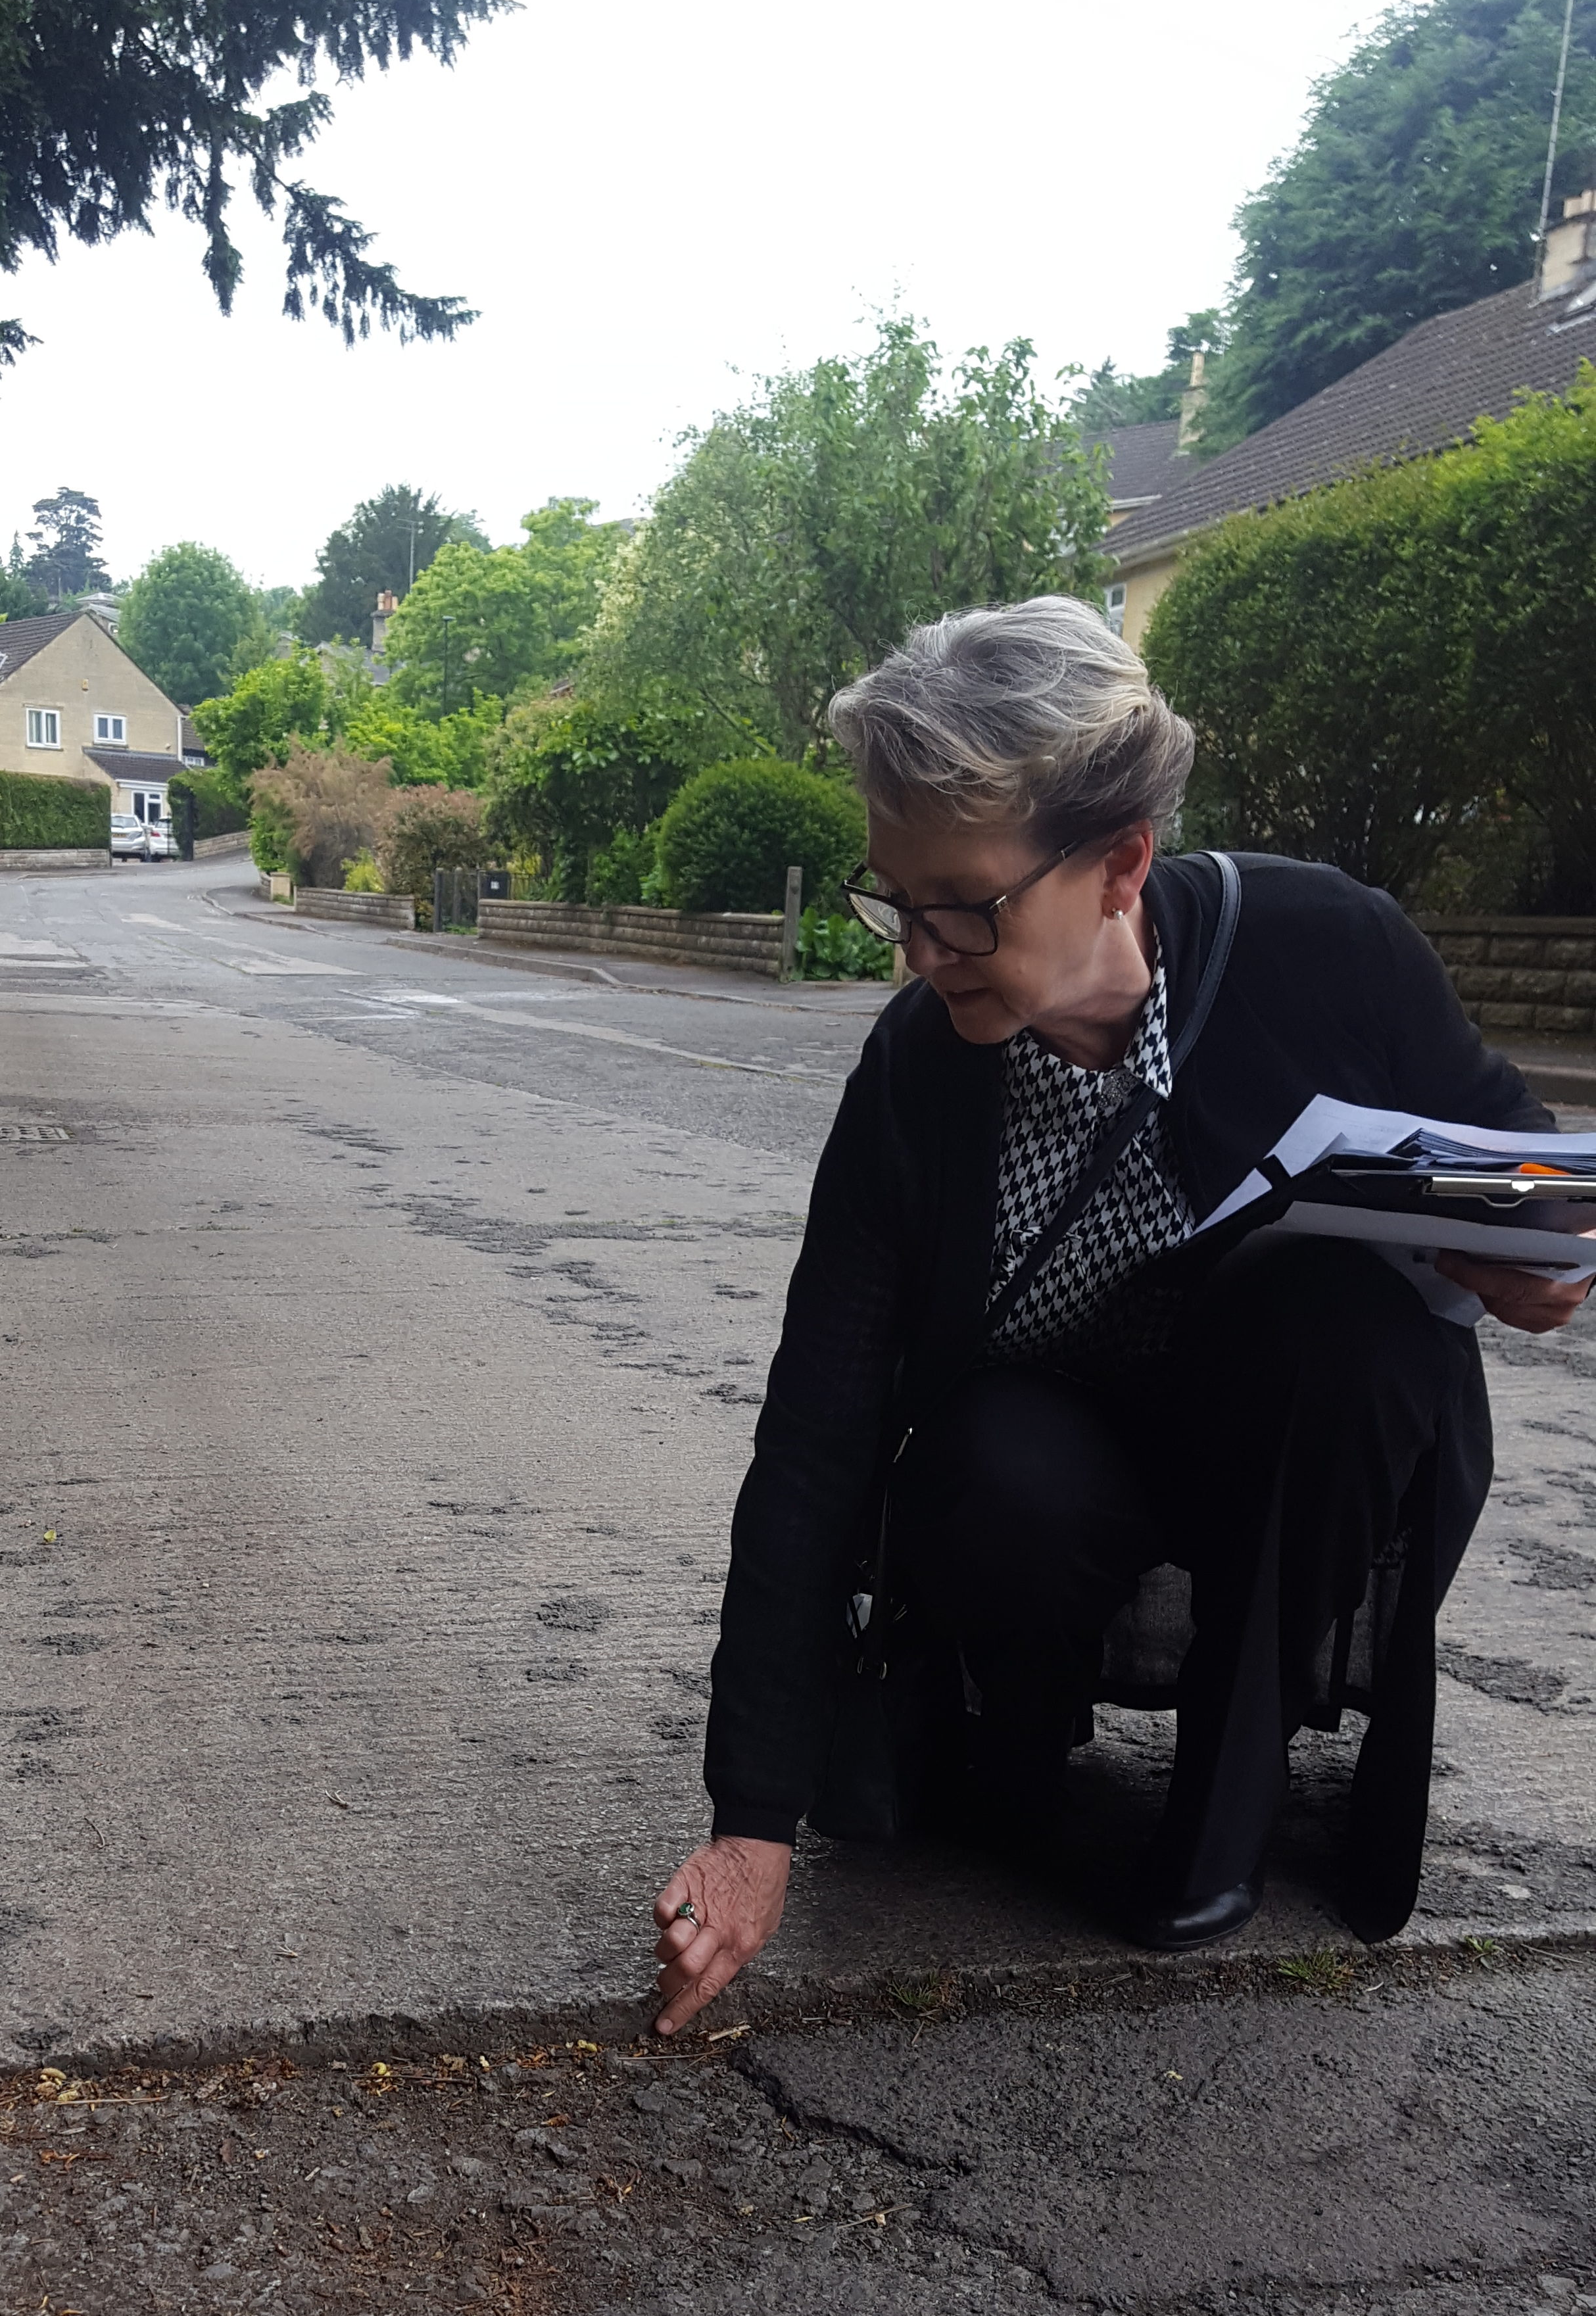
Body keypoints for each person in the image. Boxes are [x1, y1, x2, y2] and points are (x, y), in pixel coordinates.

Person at [652, 596, 1591, 2036]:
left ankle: (1236, 1785)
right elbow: (818, 1429)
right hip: (1054, 1473)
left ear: (1119, 864)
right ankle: (1005, 1737)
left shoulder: (1331, 947)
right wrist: (751, 1817)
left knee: (1355, 1332)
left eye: (960, 903)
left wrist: (1544, 1257)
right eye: (893, 898)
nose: (918, 948)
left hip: (1285, 1447)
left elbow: (1527, 1167)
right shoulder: (918, 1072)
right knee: (988, 1452)